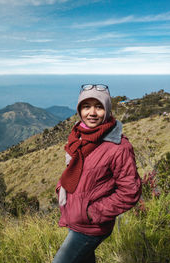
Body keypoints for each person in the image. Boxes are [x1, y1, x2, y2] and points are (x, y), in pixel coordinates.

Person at [53, 84, 142, 263]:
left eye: (99, 106)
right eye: (86, 106)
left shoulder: (118, 147)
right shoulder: (79, 136)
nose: (92, 113)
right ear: (79, 110)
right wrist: (62, 186)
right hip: (76, 217)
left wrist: (91, 212)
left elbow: (130, 192)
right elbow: (75, 172)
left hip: (91, 225)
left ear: (107, 110)